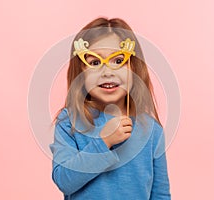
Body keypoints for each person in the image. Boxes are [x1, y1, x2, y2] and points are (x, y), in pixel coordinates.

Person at [49, 17, 171, 200]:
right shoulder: (70, 122)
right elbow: (64, 181)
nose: (107, 72)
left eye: (118, 60)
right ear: (80, 73)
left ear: (134, 69)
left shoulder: (151, 130)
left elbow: (160, 194)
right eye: (95, 63)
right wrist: (103, 142)